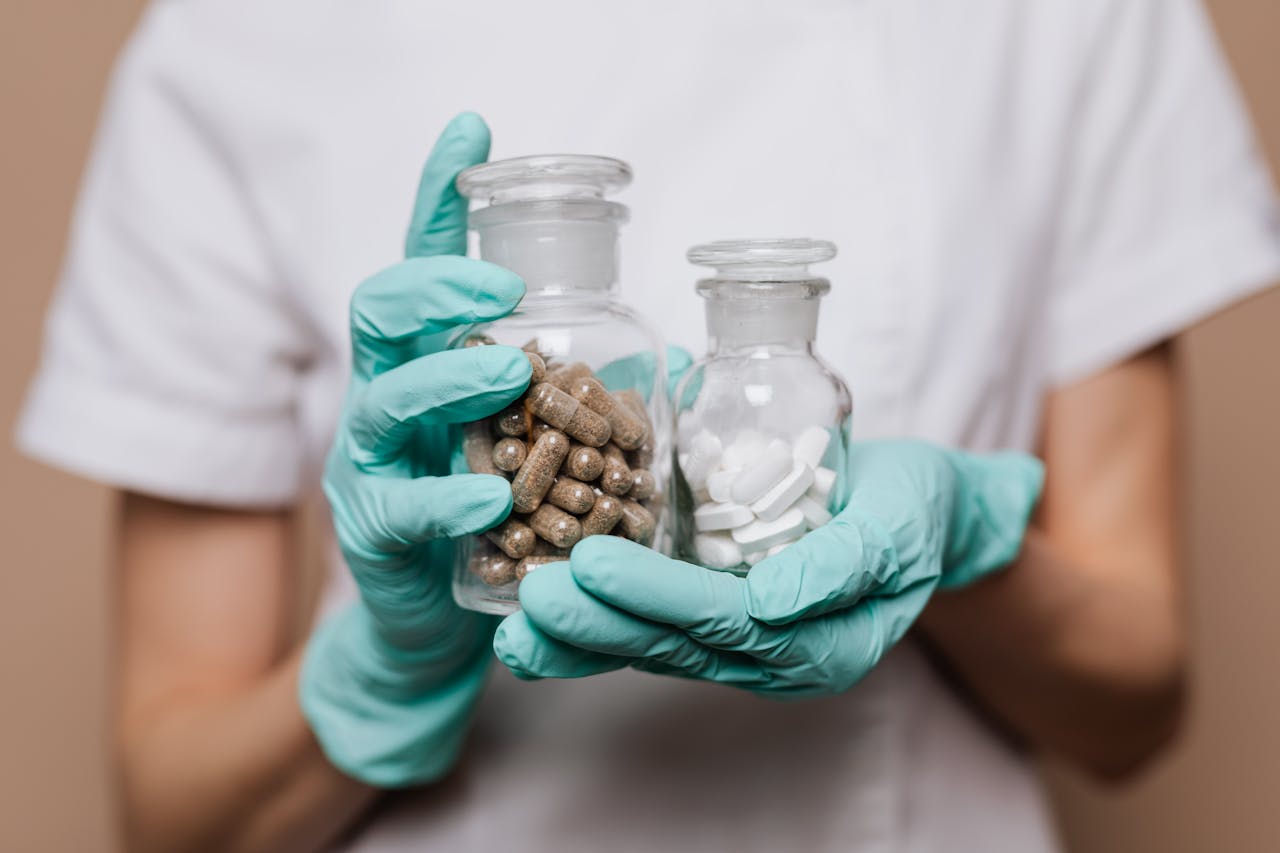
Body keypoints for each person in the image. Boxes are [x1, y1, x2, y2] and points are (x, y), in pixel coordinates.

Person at [16, 0, 1280, 850]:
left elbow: (1135, 711)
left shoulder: (1074, 22)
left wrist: (961, 541)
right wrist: (381, 680)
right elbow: (169, 808)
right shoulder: (231, 39)